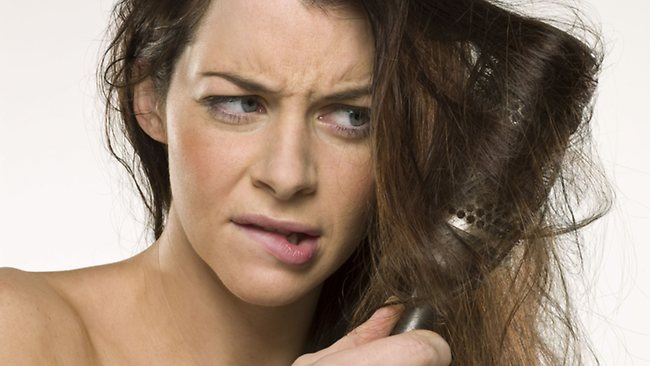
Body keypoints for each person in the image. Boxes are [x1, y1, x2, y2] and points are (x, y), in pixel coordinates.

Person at [0, 0, 609, 364]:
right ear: (150, 99)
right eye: (239, 103)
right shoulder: (22, 330)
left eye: (351, 116)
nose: (288, 175)